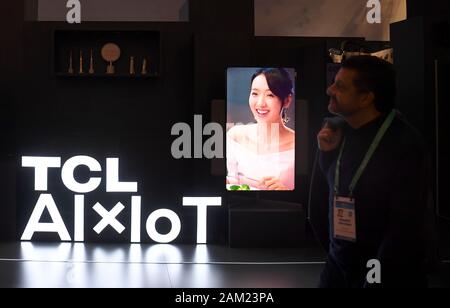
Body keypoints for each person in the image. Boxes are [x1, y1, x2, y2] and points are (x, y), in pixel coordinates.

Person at [317, 55, 435, 288]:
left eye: (340, 86)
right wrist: (326, 154)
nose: (330, 90)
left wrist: (376, 279)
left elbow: (404, 227)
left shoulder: (405, 144)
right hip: (338, 265)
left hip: (386, 274)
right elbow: (330, 192)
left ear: (366, 98)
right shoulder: (337, 131)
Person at [227, 68, 295, 191]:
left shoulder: (298, 145)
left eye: (270, 95)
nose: (260, 103)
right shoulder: (235, 135)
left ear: (287, 100)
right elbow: (232, 180)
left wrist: (284, 191)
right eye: (255, 93)